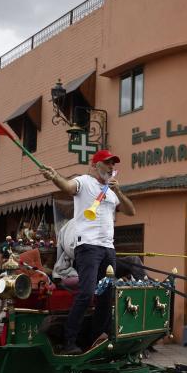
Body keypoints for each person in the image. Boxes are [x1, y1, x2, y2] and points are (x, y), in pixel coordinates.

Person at [39, 149, 136, 354]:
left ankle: (96, 339)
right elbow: (67, 186)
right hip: (88, 247)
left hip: (108, 248)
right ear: (96, 165)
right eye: (108, 163)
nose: (112, 167)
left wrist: (118, 192)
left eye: (113, 164)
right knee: (85, 293)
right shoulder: (84, 181)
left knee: (106, 295)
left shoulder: (110, 192)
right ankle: (69, 342)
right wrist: (55, 176)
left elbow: (130, 211)